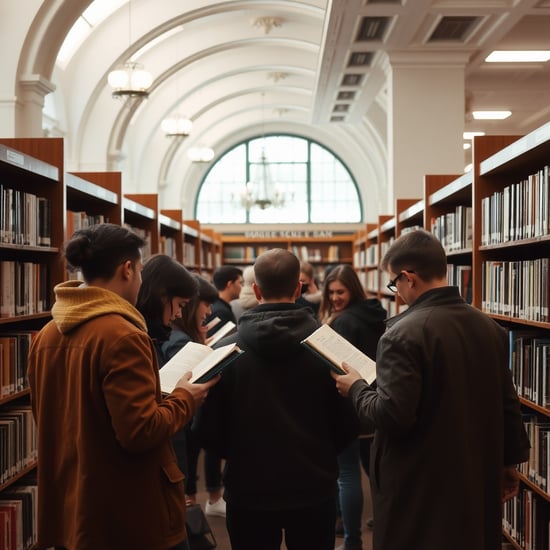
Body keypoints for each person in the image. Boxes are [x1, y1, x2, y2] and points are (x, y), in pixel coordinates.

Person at [332, 229, 530, 550]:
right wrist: (510, 461)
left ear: (409, 277)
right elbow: (507, 402)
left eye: (395, 284)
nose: (396, 293)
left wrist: (356, 387)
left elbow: (392, 415)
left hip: (420, 483)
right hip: (474, 473)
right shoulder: (490, 327)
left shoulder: (402, 334)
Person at [27, 223, 218, 550]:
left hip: (73, 504)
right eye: (141, 271)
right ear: (127, 269)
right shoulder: (123, 335)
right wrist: (186, 398)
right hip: (128, 513)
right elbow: (140, 431)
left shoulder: (47, 335)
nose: (141, 280)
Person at [196, 248, 360, 550]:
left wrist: (237, 454)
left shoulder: (226, 351)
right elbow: (349, 421)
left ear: (256, 290)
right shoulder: (331, 347)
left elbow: (209, 428)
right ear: (299, 288)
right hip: (314, 485)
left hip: (248, 486)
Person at [319, 264, 386, 550]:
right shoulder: (375, 314)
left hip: (349, 401)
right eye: (331, 292)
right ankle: (385, 526)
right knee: (374, 471)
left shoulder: (344, 322)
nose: (335, 297)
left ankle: (352, 542)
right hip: (374, 400)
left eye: (340, 292)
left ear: (352, 290)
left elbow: (338, 367)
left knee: (346, 474)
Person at [162, 275, 227, 518]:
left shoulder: (179, 335)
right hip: (179, 428)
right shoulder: (178, 340)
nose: (209, 311)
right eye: (206, 304)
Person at [205, 265, 243, 338]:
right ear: (229, 284)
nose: (241, 287)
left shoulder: (217, 305)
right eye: (240, 283)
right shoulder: (221, 312)